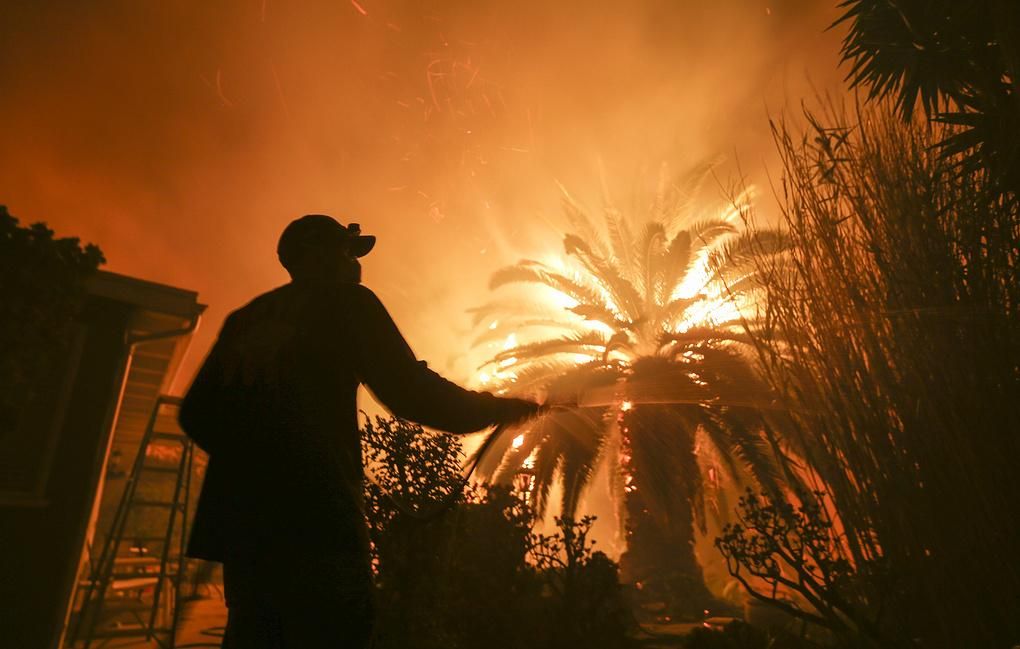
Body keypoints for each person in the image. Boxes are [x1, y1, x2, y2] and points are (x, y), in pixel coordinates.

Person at [178, 214, 540, 648]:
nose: (355, 264)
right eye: (346, 251)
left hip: (249, 534)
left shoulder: (247, 319)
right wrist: (498, 409)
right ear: (316, 256)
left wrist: (257, 458)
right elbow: (411, 391)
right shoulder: (346, 304)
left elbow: (196, 414)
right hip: (318, 520)